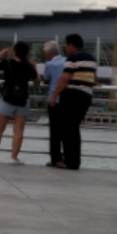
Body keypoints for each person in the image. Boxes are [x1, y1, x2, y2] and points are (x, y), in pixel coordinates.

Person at [46, 33, 96, 172]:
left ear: (71, 46)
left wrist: (54, 95)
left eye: (67, 46)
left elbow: (65, 78)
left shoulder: (73, 58)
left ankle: (70, 161)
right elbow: (92, 77)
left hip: (73, 96)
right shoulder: (91, 58)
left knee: (68, 129)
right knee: (74, 128)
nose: (66, 49)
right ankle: (74, 161)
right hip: (86, 96)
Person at [0, 41, 38, 163]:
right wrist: (35, 68)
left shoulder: (7, 62)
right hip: (22, 100)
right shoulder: (29, 66)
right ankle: (14, 157)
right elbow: (37, 82)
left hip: (7, 98)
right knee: (18, 130)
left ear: (14, 52)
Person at [39, 41, 66, 166]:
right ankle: (67, 157)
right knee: (65, 131)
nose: (45, 56)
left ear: (50, 53)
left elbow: (46, 79)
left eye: (45, 53)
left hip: (54, 100)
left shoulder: (49, 64)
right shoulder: (67, 61)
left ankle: (56, 159)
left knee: (54, 131)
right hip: (66, 100)